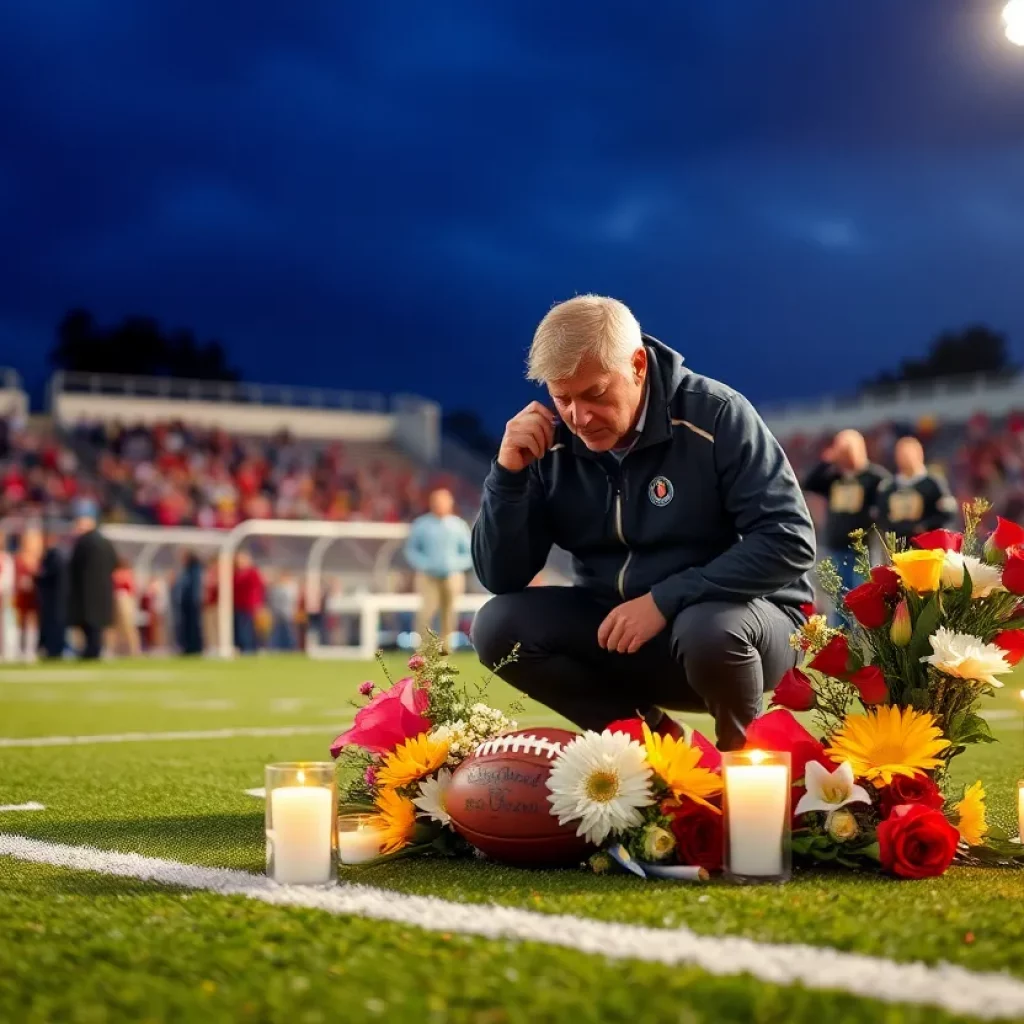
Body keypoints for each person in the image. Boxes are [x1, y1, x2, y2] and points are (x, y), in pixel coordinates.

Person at [470, 295, 816, 751]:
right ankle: (654, 746)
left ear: (637, 364)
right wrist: (507, 478)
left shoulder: (717, 415)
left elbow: (789, 541)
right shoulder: (547, 442)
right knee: (496, 627)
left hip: (742, 630)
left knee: (709, 628)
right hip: (620, 630)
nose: (579, 416)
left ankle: (743, 772)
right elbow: (502, 577)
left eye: (595, 393)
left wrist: (664, 600)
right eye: (563, 398)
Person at [802, 429, 889, 595]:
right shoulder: (834, 477)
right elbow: (809, 483)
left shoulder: (874, 477)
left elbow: (885, 504)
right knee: (839, 598)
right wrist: (827, 461)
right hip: (837, 546)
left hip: (862, 549)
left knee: (861, 594)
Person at [405, 487, 473, 647]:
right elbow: (411, 549)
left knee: (449, 614)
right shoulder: (422, 524)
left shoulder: (458, 526)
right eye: (437, 501)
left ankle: (445, 652)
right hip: (428, 576)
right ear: (431, 503)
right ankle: (423, 651)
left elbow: (469, 552)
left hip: (452, 576)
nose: (440, 504)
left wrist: (456, 564)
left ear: (450, 503)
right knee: (426, 613)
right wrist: (424, 564)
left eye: (444, 501)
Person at [877, 436, 958, 543]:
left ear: (919, 454)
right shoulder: (888, 487)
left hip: (927, 546)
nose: (905, 459)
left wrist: (925, 526)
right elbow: (881, 516)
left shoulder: (933, 484)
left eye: (908, 454)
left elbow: (947, 512)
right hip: (898, 546)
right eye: (901, 455)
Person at [67, 500, 117, 660]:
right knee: (96, 627)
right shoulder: (105, 542)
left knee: (90, 627)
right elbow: (114, 563)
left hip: (86, 594)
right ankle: (94, 650)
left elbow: (74, 567)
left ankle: (91, 651)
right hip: (102, 592)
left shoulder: (84, 542)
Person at [36, 526, 68, 660]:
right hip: (54, 599)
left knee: (54, 625)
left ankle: (54, 650)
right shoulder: (56, 555)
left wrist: (37, 576)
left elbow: (47, 575)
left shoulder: (55, 556)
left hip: (54, 599)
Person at [13, 525, 43, 660]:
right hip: (22, 593)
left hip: (34, 594)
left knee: (33, 620)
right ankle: (20, 649)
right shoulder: (19, 558)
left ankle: (30, 649)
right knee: (22, 620)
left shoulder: (38, 559)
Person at [232, 550, 264, 654]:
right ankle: (242, 648)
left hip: (249, 606)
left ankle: (249, 649)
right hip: (238, 605)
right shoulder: (236, 573)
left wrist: (257, 604)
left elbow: (258, 589)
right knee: (239, 629)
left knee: (247, 629)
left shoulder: (252, 573)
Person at [173, 549, 204, 655]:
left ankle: (194, 647)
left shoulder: (195, 569)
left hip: (192, 603)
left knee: (193, 627)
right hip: (186, 603)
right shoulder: (186, 570)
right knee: (186, 627)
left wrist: (195, 600)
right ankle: (188, 647)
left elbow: (194, 587)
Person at [111, 557, 141, 657]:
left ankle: (134, 649)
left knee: (129, 627)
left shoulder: (126, 574)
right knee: (116, 628)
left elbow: (131, 589)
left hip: (125, 601)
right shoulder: (115, 574)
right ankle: (118, 649)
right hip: (116, 601)